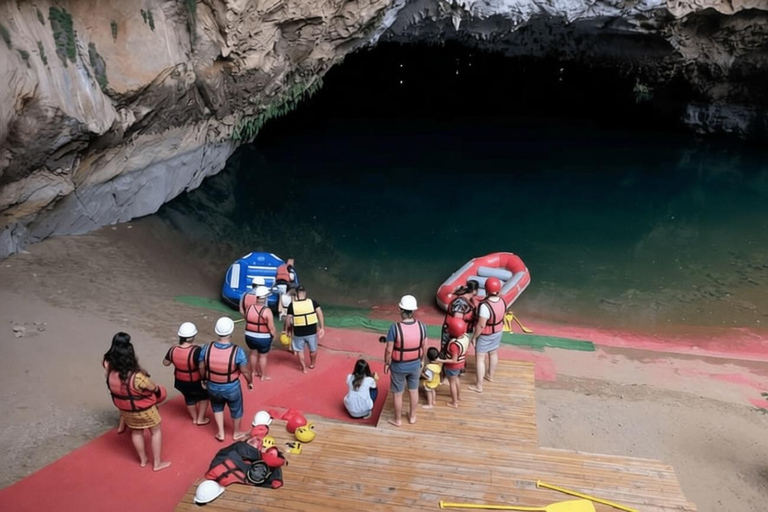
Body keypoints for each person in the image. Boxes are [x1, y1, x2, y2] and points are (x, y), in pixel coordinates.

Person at [103, 332, 171, 471]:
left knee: (136, 432)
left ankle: (143, 460)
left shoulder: (110, 374)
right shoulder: (138, 377)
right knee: (156, 432)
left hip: (127, 410)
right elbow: (153, 387)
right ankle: (157, 463)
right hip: (146, 411)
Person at [198, 317, 254, 441]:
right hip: (232, 387)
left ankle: (221, 432)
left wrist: (203, 380)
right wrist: (250, 382)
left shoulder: (206, 348)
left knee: (217, 406)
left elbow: (201, 366)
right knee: (236, 408)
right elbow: (245, 370)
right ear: (231, 332)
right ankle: (236, 432)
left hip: (212, 385)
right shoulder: (237, 351)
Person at [383, 295, 428, 427]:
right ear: (413, 311)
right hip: (415, 364)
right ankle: (412, 416)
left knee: (398, 393)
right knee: (413, 391)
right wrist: (422, 360)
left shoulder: (394, 328)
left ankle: (398, 420)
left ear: (400, 309)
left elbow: (389, 350)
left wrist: (386, 363)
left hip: (398, 365)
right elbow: (424, 346)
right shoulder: (422, 326)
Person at [162, 322, 209, 425]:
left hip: (180, 381)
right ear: (192, 337)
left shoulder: (173, 349)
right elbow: (201, 367)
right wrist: (204, 379)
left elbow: (165, 363)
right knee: (204, 396)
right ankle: (200, 419)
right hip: (194, 381)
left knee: (189, 398)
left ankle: (194, 418)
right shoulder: (197, 350)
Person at [469, 277, 506, 393]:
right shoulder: (502, 301)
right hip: (498, 331)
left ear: (486, 290)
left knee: (480, 358)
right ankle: (490, 375)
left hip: (486, 334)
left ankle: (479, 386)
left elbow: (481, 325)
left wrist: (474, 337)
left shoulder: (485, 306)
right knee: (493, 352)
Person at [240, 285, 277, 381]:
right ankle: (263, 376)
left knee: (253, 353)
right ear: (265, 298)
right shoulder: (267, 311)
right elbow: (271, 328)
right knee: (262, 356)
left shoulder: (249, 308)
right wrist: (274, 336)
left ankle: (253, 372)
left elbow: (246, 318)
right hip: (263, 338)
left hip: (249, 336)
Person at [286, 286, 324, 373]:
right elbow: (320, 313)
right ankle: (312, 364)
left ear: (296, 294)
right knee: (313, 349)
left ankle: (304, 368)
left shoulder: (292, 305)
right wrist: (322, 327)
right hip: (311, 331)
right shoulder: (312, 302)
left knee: (300, 350)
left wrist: (288, 330)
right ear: (305, 293)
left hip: (298, 332)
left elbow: (288, 319)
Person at [440, 280, 479, 355]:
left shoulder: (470, 300)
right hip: (453, 331)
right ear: (474, 291)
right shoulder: (460, 302)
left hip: (462, 332)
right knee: (450, 352)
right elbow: (456, 321)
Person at [438, 318, 470, 408]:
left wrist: (440, 361)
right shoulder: (466, 337)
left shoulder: (454, 344)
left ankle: (454, 402)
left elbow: (454, 360)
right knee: (456, 379)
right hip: (461, 363)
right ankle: (458, 397)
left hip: (452, 366)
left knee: (452, 382)